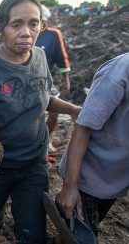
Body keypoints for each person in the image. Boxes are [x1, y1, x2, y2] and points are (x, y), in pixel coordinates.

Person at [0, 0, 81, 244]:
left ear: (41, 26)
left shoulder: (39, 56)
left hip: (33, 162)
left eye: (34, 23)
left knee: (32, 232)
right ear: (1, 27)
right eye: (17, 24)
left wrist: (73, 110)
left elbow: (44, 97)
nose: (26, 32)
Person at [56, 52, 128, 238]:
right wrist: (70, 187)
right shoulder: (118, 74)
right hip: (86, 177)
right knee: (81, 236)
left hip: (117, 179)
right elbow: (83, 127)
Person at [35, 6, 71, 139]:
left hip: (45, 80)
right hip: (24, 80)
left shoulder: (53, 35)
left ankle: (46, 140)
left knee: (54, 110)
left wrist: (66, 80)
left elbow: (61, 58)